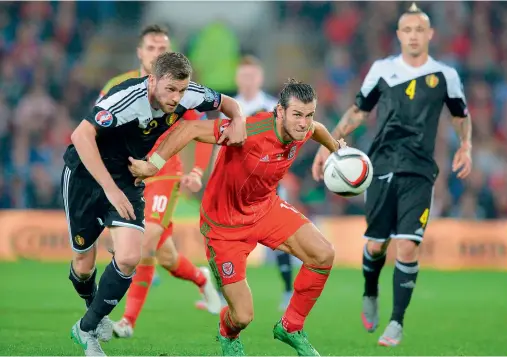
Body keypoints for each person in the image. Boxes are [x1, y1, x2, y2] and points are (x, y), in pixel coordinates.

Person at [128, 79, 346, 356]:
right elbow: (190, 127)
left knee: (324, 254)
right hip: (223, 225)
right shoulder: (250, 130)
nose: (304, 123)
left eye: (309, 114)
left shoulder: (303, 129)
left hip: (265, 209)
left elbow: (318, 130)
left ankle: (291, 327)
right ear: (280, 111)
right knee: (242, 316)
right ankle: (227, 333)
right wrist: (152, 165)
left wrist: (335, 147)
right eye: (297, 115)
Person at [63, 51, 246, 356]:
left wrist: (238, 118)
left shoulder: (188, 95)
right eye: (170, 90)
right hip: (85, 175)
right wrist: (109, 189)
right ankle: (95, 308)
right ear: (152, 81)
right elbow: (80, 135)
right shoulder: (126, 99)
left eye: (182, 90)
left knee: (131, 256)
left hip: (128, 176)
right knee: (83, 266)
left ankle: (86, 328)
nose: (176, 98)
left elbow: (229, 104)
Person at [312, 3, 472, 347]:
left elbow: (460, 114)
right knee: (375, 245)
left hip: (419, 170)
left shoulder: (445, 75)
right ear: (399, 35)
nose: (414, 35)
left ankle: (396, 322)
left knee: (409, 246)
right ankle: (370, 291)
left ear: (430, 34)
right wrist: (328, 145)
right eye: (408, 30)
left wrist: (466, 145)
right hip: (381, 165)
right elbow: (358, 112)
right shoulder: (382, 70)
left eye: (420, 30)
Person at [96, 24, 222, 340]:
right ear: (140, 52)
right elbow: (99, 125)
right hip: (130, 174)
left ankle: (125, 321)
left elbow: (202, 128)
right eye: (151, 48)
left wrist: (196, 172)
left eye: (162, 49)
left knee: (145, 241)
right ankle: (201, 278)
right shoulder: (119, 85)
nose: (156, 53)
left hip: (164, 170)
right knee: (165, 255)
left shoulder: (178, 89)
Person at [197, 55, 294, 312]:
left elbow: (287, 143)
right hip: (233, 188)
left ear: (260, 77)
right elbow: (220, 144)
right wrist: (212, 177)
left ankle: (287, 290)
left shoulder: (273, 106)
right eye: (244, 75)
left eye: (253, 75)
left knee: (280, 237)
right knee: (224, 240)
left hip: (267, 185)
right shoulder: (231, 107)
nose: (248, 80)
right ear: (237, 78)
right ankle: (219, 294)